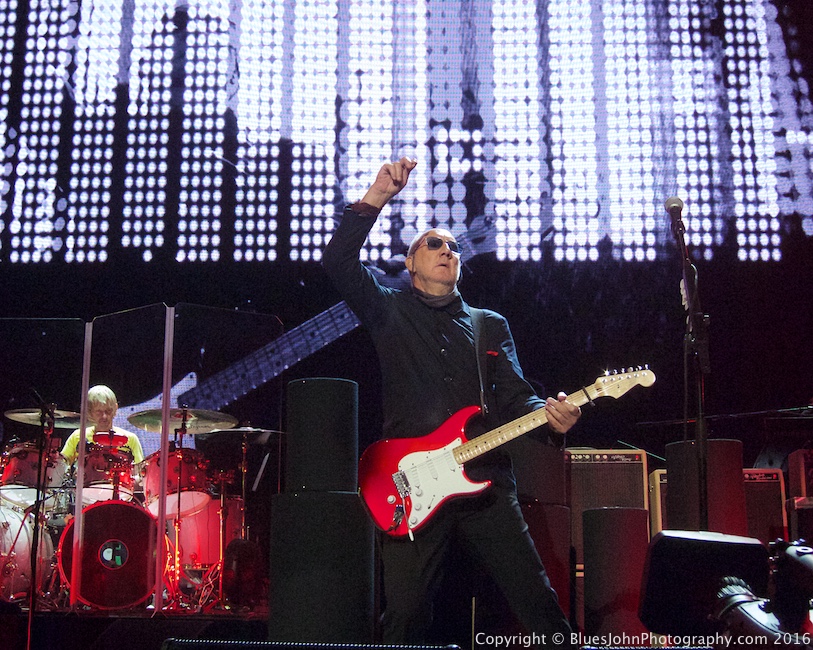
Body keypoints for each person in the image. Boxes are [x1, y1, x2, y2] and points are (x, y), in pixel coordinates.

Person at [322, 158, 581, 646]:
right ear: (410, 263)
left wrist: (552, 420)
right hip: (410, 483)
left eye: (454, 247)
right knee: (405, 617)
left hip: (486, 480)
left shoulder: (489, 325)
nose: (447, 251)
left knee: (538, 603)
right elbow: (338, 263)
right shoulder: (389, 310)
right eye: (434, 244)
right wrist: (377, 197)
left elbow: (518, 398)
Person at [61, 385, 144, 501]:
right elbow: (61, 468)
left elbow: (141, 475)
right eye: (99, 412)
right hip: (84, 499)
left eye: (108, 411)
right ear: (90, 412)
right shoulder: (78, 436)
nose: (104, 416)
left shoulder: (131, 439)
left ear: (115, 409)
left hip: (120, 498)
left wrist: (136, 480)